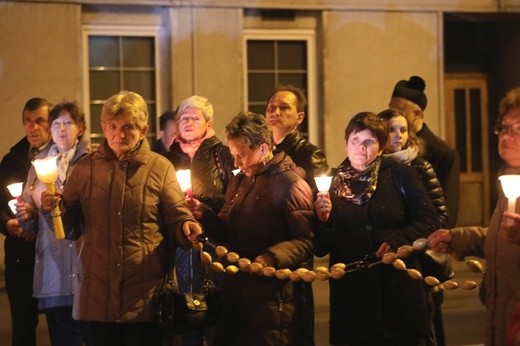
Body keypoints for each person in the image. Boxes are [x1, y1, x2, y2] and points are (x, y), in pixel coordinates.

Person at [39, 91, 203, 346]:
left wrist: (186, 227)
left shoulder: (159, 168)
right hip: (97, 295)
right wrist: (53, 210)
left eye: (129, 127)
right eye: (113, 126)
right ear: (104, 128)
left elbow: (176, 216)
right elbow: (68, 229)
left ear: (143, 129)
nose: (120, 134)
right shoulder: (85, 169)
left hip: (145, 297)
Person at [188, 111, 315, 345]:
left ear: (264, 149)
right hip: (236, 291)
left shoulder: (291, 185)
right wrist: (203, 215)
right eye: (233, 155)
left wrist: (270, 257)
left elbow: (305, 241)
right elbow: (227, 228)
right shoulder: (241, 180)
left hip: (272, 297)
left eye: (241, 155)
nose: (235, 163)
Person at [314, 112, 441, 345]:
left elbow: (430, 219)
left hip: (396, 290)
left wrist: (399, 239)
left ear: (381, 147)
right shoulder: (331, 184)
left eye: (369, 142)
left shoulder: (399, 174)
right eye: (356, 140)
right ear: (345, 143)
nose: (361, 148)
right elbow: (321, 247)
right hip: (351, 297)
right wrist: (324, 220)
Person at [428, 87, 520, 346]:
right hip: (501, 318)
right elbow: (502, 237)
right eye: (504, 127)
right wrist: (459, 239)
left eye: (518, 128)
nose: (506, 136)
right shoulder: (511, 180)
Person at [16, 101, 91, 346]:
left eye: (68, 123)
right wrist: (26, 215)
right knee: (60, 333)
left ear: (80, 127)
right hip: (52, 266)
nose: (61, 129)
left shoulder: (90, 162)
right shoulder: (39, 166)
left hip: (81, 259)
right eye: (56, 124)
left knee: (81, 333)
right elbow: (31, 227)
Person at [163, 95, 234, 345]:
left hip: (214, 246)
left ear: (208, 123)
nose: (189, 122)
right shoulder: (166, 160)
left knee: (214, 314)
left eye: (195, 118)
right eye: (184, 118)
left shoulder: (223, 156)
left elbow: (233, 200)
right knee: (186, 314)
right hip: (179, 248)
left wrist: (205, 209)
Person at [0, 97, 52, 346]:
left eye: (40, 121)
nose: (33, 128)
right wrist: (7, 224)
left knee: (61, 326)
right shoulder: (12, 161)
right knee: (22, 326)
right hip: (21, 257)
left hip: (54, 257)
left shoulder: (60, 159)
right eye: (28, 122)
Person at [389, 75, 460, 228]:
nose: (395, 117)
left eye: (400, 112)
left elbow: (448, 213)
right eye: (391, 110)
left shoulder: (443, 152)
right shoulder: (388, 147)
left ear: (417, 114)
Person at [265, 84, 329, 192]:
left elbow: (317, 197)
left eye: (284, 107)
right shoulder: (261, 150)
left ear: (299, 117)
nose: (275, 112)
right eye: (271, 107)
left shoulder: (310, 154)